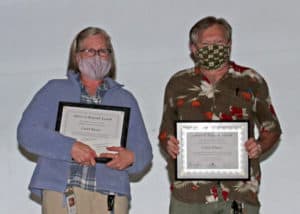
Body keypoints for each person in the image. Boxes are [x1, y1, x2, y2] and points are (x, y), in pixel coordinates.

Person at [17, 27, 153, 214]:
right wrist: (69, 147)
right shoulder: (53, 90)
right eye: (90, 51)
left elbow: (144, 153)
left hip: (110, 193)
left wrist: (131, 158)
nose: (97, 56)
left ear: (110, 56)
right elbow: (27, 133)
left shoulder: (125, 99)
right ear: (77, 56)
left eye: (103, 51)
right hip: (62, 190)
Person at [158, 16, 281, 214]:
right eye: (206, 44)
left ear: (229, 44)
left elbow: (272, 129)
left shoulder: (251, 80)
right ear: (193, 48)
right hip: (188, 195)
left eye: (219, 43)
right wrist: (169, 143)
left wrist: (259, 146)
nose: (213, 48)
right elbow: (165, 131)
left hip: (238, 192)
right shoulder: (178, 83)